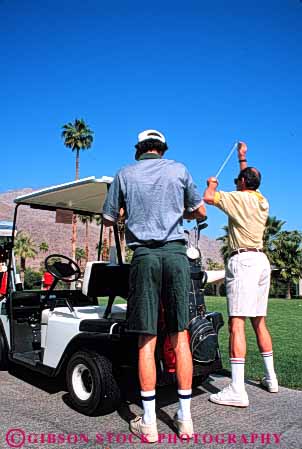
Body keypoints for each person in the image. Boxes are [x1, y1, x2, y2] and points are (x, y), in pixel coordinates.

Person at [102, 129, 206, 442]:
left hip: (144, 256)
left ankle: (149, 423)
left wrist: (124, 212)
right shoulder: (179, 169)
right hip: (176, 255)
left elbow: (108, 219)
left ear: (140, 150)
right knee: (180, 335)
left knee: (146, 337)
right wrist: (181, 210)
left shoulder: (124, 174)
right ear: (162, 149)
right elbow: (199, 211)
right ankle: (185, 420)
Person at [203, 142, 278, 408]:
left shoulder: (239, 197)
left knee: (237, 323)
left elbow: (209, 199)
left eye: (238, 180)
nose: (235, 183)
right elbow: (247, 181)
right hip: (261, 260)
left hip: (243, 262)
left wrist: (211, 183)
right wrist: (242, 159)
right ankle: (271, 378)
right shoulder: (260, 199)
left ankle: (237, 389)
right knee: (259, 321)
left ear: (243, 184)